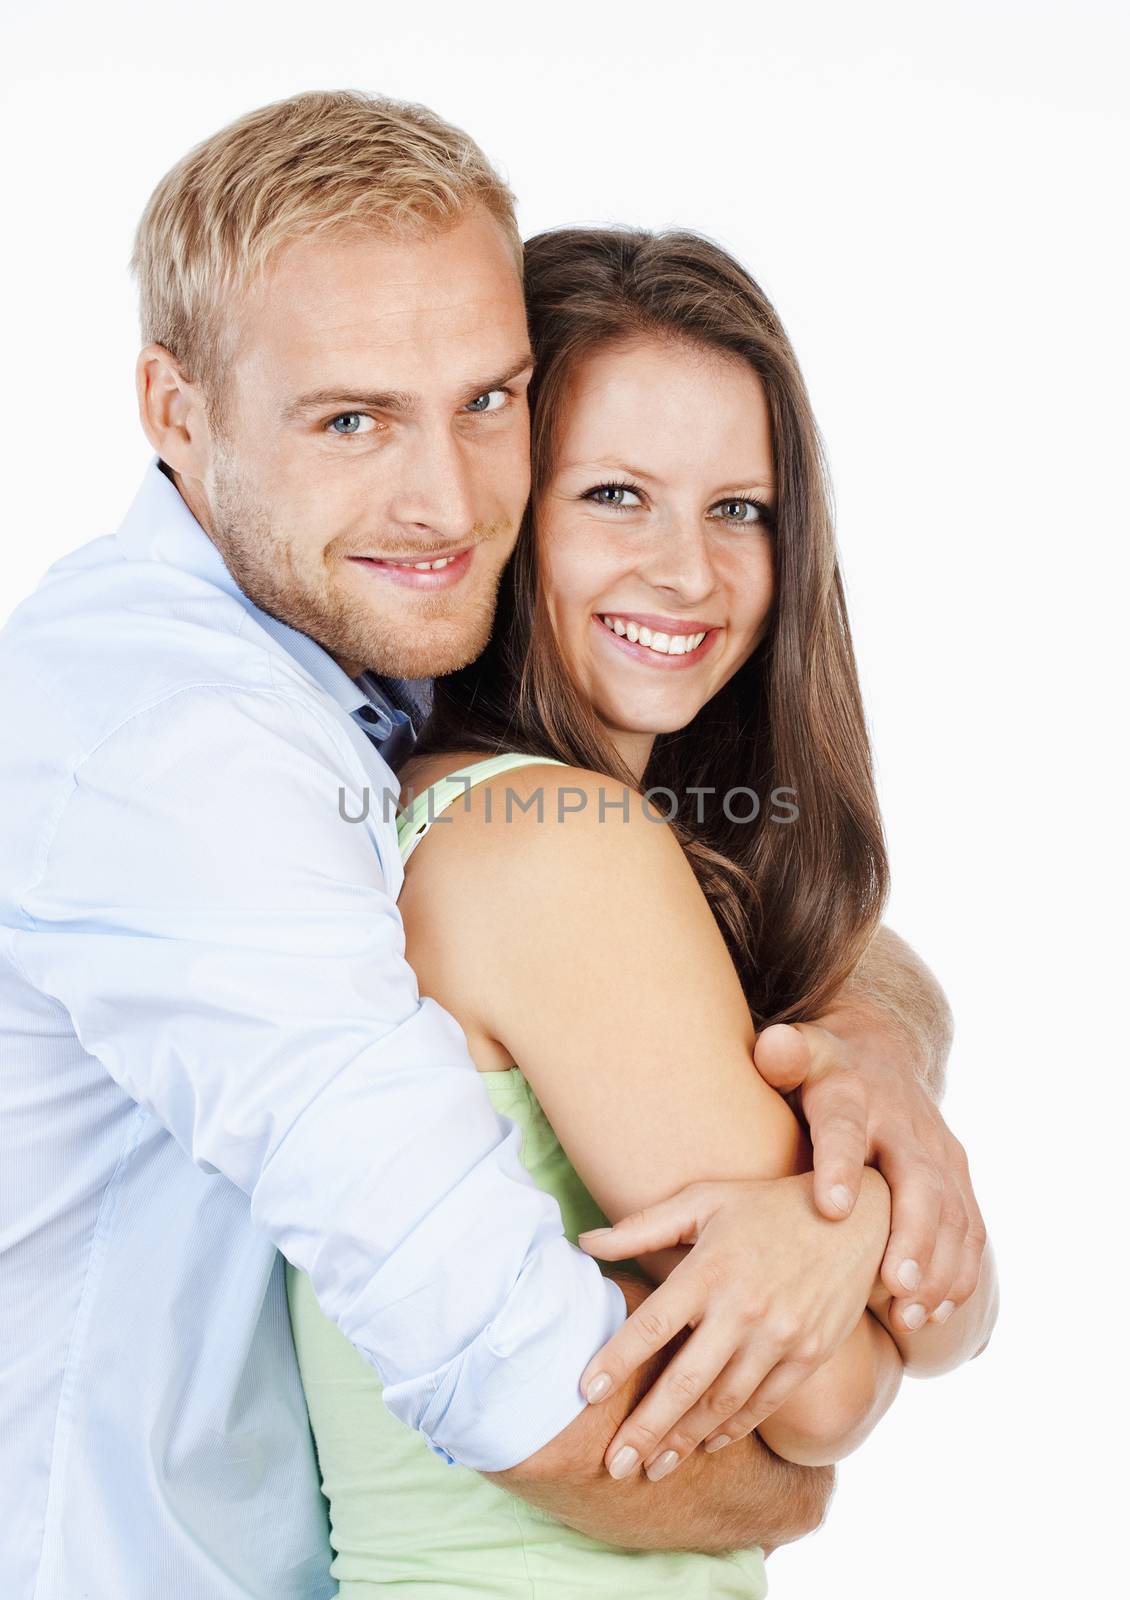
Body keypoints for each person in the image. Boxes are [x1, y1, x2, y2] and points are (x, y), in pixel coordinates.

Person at [0, 90, 989, 1599]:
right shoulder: (196, 754)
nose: (448, 498)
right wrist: (793, 1461)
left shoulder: (364, 659)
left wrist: (871, 1071)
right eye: (350, 418)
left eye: (485, 402)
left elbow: (824, 952)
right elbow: (516, 1381)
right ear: (174, 410)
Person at [284, 223, 999, 1594]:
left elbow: (949, 1315)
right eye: (615, 495)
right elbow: (834, 1395)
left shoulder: (503, 820)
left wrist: (884, 1074)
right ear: (498, 507)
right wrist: (854, 1213)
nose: (689, 573)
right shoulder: (557, 850)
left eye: (741, 509)